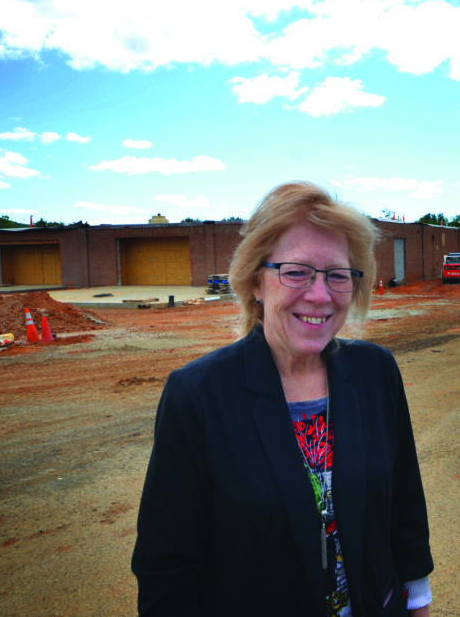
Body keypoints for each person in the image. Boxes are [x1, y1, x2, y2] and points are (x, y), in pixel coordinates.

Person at [132, 181, 434, 616]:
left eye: (337, 274)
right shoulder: (198, 395)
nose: (320, 294)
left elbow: (404, 506)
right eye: (296, 272)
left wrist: (418, 602)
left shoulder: (375, 372)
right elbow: (167, 566)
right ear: (256, 280)